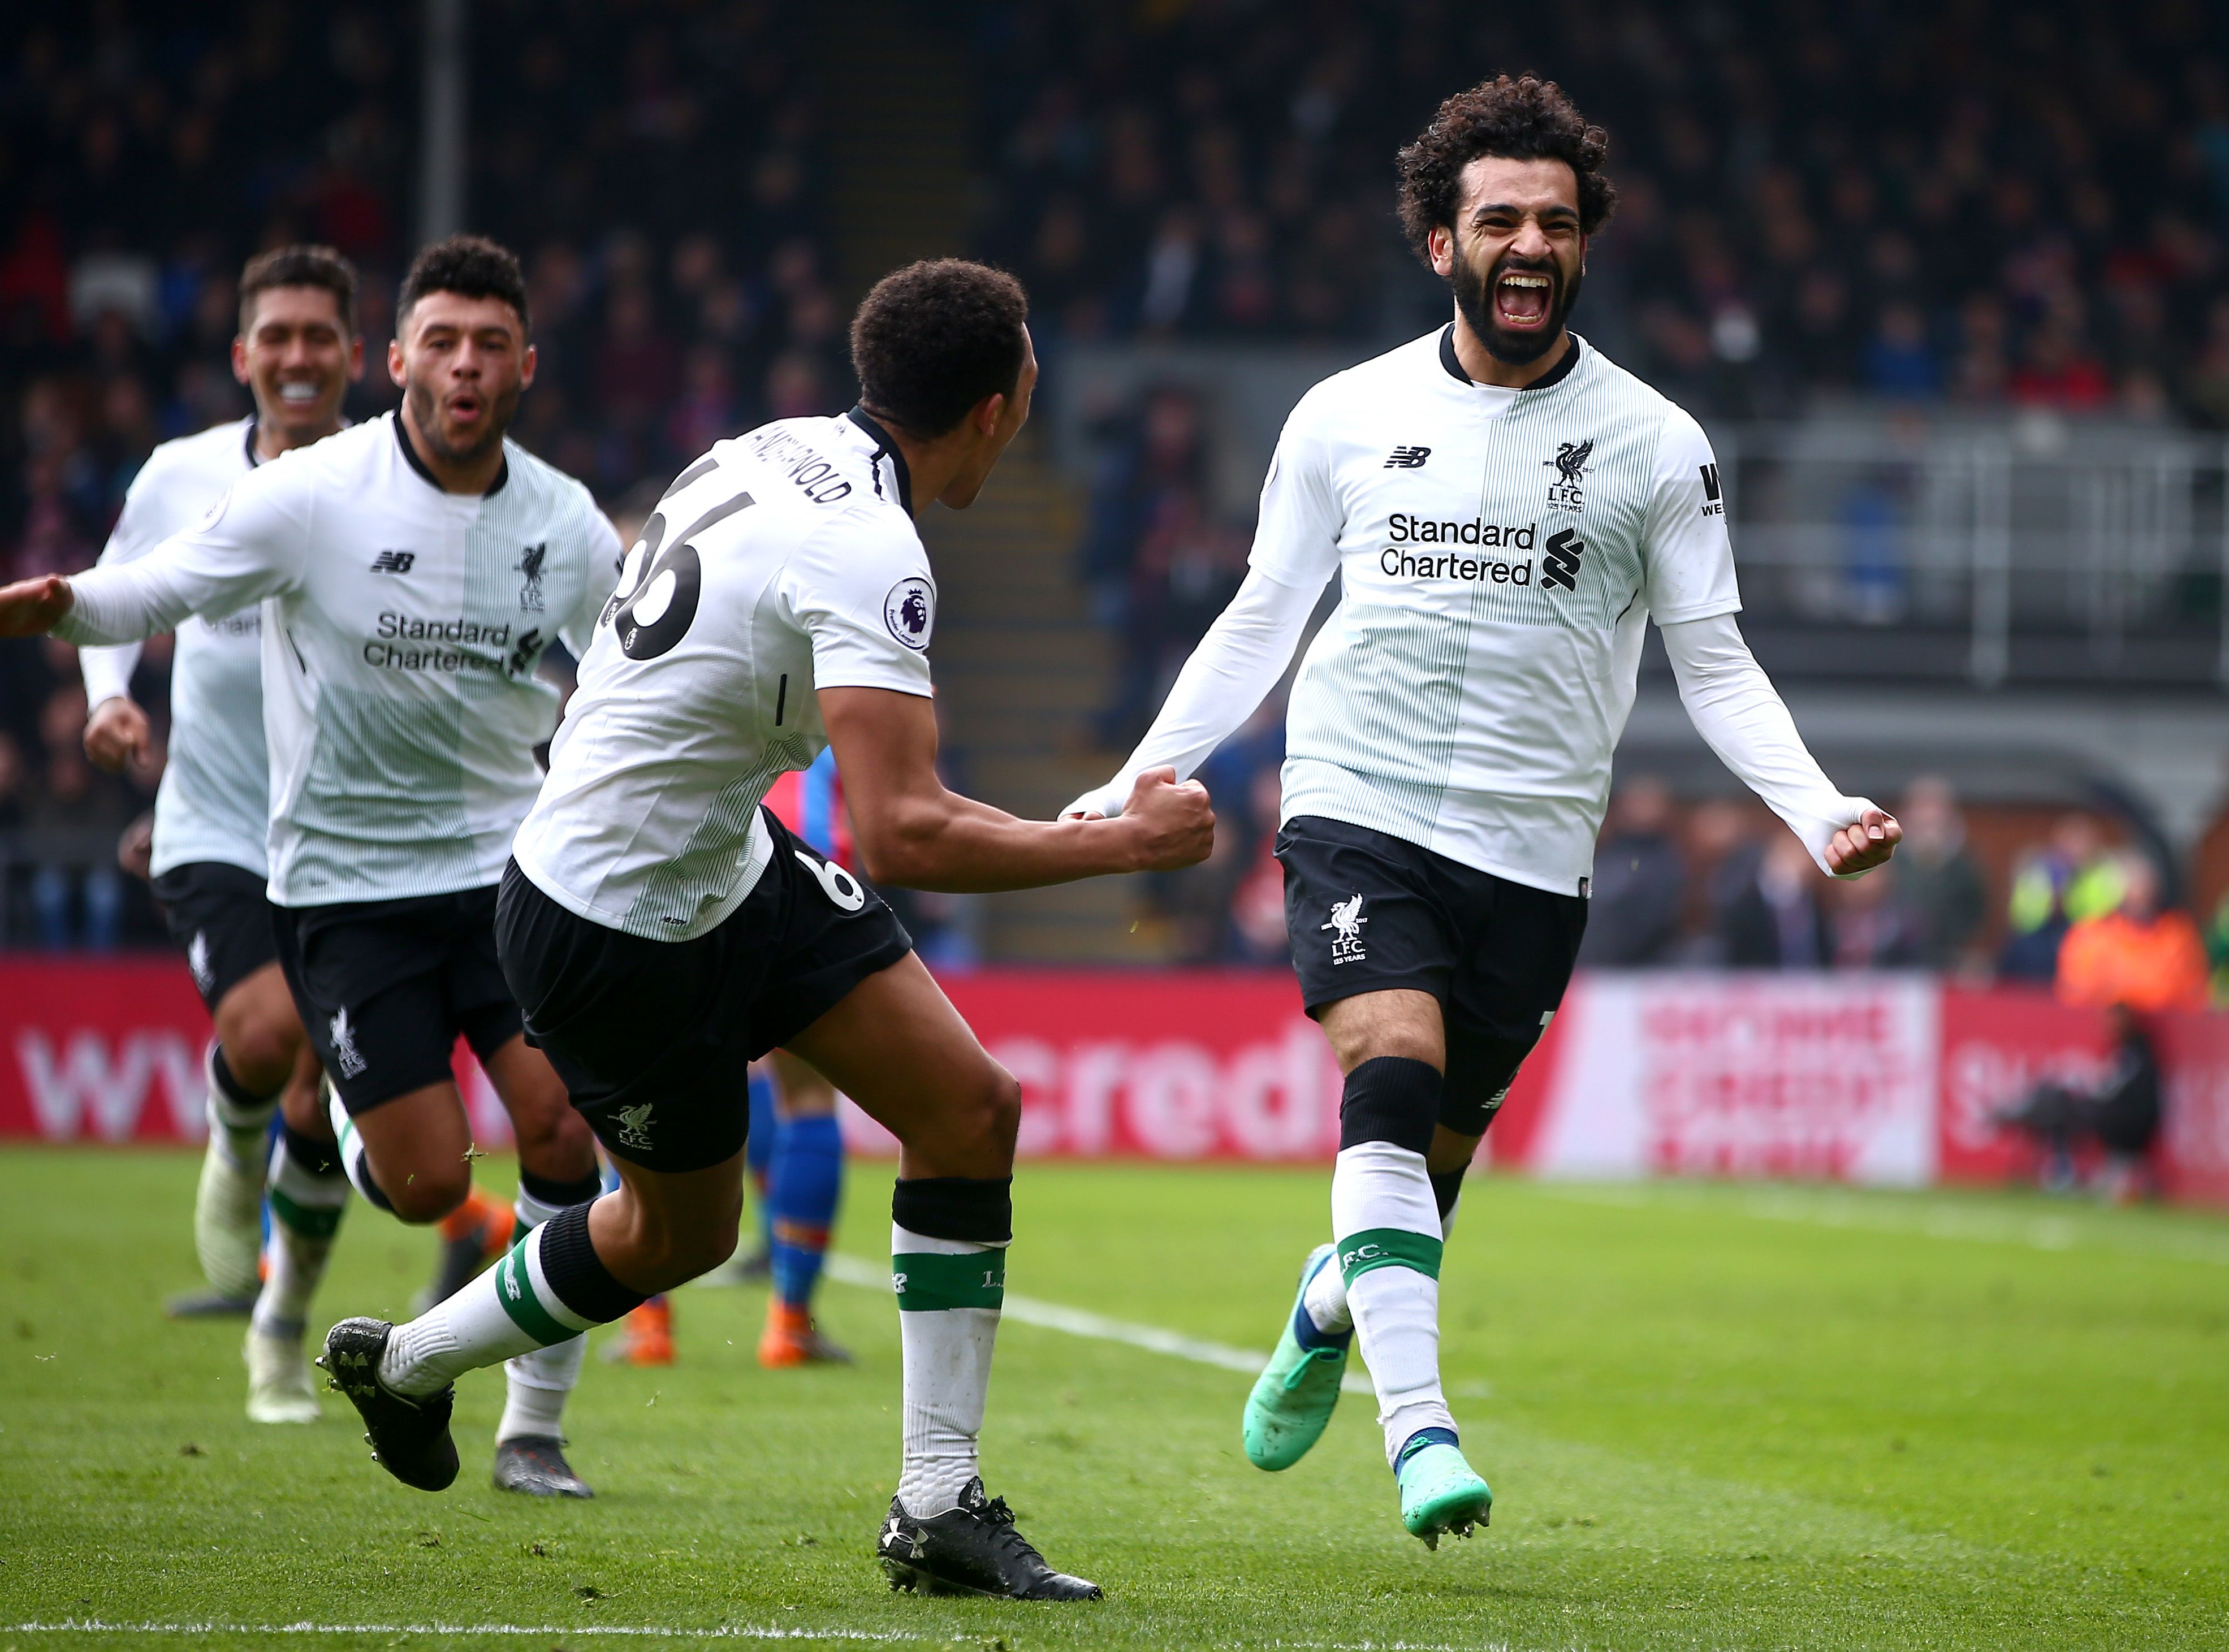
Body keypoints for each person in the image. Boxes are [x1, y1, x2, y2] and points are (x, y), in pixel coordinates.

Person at [1063, 75, 1900, 1549]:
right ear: (1438, 241)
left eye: (1554, 224)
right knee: (1384, 1072)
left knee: (1425, 1177)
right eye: (1497, 219)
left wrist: (1812, 803)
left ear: (1584, 247)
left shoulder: (1655, 444)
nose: (1528, 244)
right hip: (1354, 801)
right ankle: (1420, 1432)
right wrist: (1148, 764)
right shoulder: (1342, 416)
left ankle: (1330, 1295)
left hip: (1529, 852)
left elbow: (1712, 662)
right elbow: (1263, 613)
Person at [306, 260, 1211, 1600]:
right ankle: (412, 1364)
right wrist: (1116, 846)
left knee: (969, 1109)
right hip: (611, 922)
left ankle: (937, 1499)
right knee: (676, 1236)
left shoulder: (779, 447)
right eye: (1026, 387)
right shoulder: (873, 550)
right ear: (996, 407)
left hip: (720, 862)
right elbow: (901, 833)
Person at [0, 235, 621, 1499]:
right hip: (346, 892)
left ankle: (532, 1430)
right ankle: (326, 1117)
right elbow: (162, 586)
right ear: (397, 361)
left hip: (512, 879)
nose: (465, 366)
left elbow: (630, 670)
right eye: (440, 342)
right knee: (424, 1182)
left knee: (563, 1120)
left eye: (490, 346)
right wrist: (62, 605)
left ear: (524, 368)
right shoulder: (314, 495)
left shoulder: (563, 524)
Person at [74, 245, 362, 1422]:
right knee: (271, 1039)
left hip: (357, 841)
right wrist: (107, 696)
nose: (297, 356)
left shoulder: (391, 479)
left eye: (319, 336)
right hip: (213, 822)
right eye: (276, 336)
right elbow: (110, 586)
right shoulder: (182, 473)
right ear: (244, 355)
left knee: (321, 1077)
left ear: (357, 354)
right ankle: (233, 1133)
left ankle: (281, 1328)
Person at [1993, 1002, 2162, 1196]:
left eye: (2113, 1019)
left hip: (2129, 1122)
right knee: (2058, 1103)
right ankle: (2059, 1166)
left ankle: (2062, 1171)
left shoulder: (2136, 1053)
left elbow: (2110, 1090)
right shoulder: (2126, 1050)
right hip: (2119, 1115)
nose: (2108, 1025)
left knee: (2060, 1106)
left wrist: (2085, 1093)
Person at [2056, 852, 2208, 1013]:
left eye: (2144, 886)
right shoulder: (2091, 936)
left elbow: (2193, 996)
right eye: (2133, 887)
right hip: (2103, 1030)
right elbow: (2074, 998)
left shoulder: (2177, 935)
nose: (2139, 895)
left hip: (2167, 1031)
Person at [1574, 775, 1684, 966]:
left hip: (1643, 965)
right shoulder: (1604, 851)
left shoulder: (1668, 860)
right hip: (1592, 961)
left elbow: (1655, 917)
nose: (1641, 809)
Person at [1891, 776, 1987, 970]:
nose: (1929, 816)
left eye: (1935, 808)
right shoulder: (1890, 861)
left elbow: (1974, 911)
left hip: (1949, 960)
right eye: (1923, 807)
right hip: (1899, 963)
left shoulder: (1965, 866)